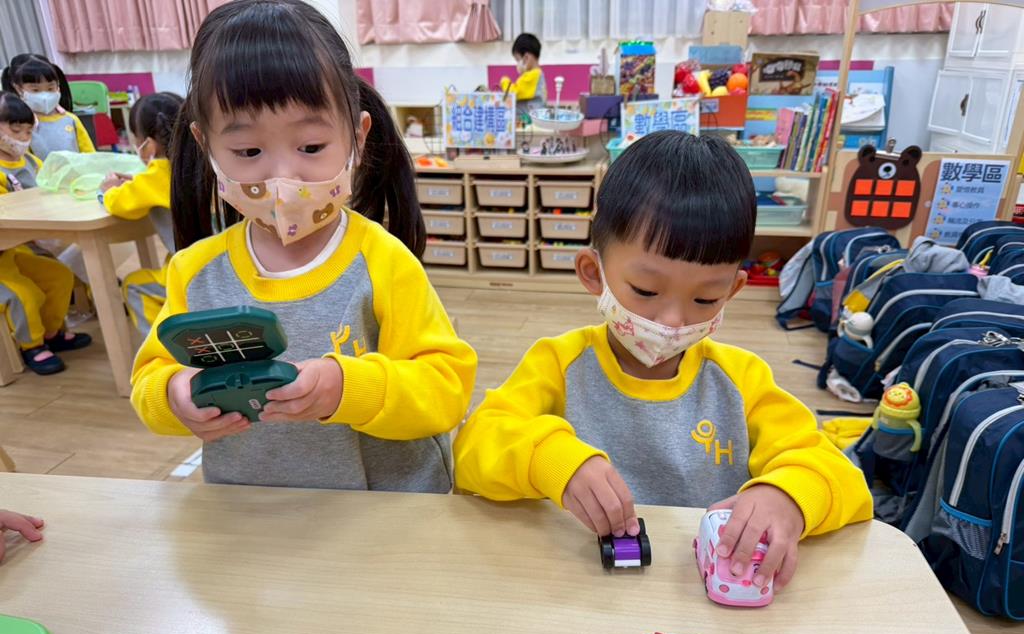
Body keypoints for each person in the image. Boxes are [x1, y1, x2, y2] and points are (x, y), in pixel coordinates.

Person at [454, 132, 872, 590]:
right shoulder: (559, 364)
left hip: (704, 597)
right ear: (594, 273)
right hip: (577, 587)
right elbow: (474, 448)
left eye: (705, 298)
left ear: (733, 290)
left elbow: (842, 477)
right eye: (646, 291)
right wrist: (549, 459)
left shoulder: (741, 380)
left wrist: (788, 496)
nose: (672, 321)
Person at [130, 0, 477, 492]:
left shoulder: (382, 261)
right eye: (248, 151)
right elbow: (150, 376)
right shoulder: (195, 271)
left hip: (382, 509)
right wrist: (175, 393)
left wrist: (348, 388)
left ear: (357, 136)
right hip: (252, 506)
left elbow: (446, 389)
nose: (283, 178)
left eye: (311, 147)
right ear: (206, 146)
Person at [0, 92, 91, 374]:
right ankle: (32, 346)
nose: (22, 138)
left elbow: (49, 188)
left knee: (59, 275)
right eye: (15, 130)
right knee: (25, 294)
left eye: (28, 131)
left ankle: (51, 333)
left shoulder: (31, 162)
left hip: (14, 251)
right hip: (5, 253)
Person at [100, 92, 183, 334]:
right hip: (228, 262)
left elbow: (118, 203)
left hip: (193, 273)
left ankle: (164, 350)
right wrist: (139, 181)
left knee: (134, 286)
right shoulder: (204, 161)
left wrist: (108, 190)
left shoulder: (157, 172)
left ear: (149, 144)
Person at [2, 53, 95, 158]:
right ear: (19, 89)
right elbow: (24, 160)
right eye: (35, 90)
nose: (44, 95)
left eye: (50, 89)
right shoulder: (23, 125)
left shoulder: (70, 119)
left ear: (58, 86)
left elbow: (90, 154)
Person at [500, 33, 546, 122]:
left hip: (529, 123)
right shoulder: (536, 74)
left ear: (526, 58)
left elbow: (513, 93)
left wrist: (505, 81)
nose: (517, 64)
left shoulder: (532, 76)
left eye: (518, 60)